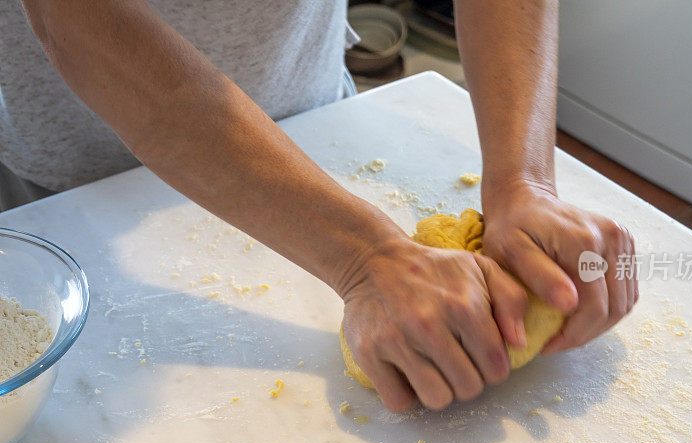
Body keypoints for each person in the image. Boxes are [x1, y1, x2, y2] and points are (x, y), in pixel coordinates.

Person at [2, 0, 637, 412]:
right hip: (79, 174)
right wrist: (365, 256)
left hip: (320, 117)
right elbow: (76, 18)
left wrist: (524, 180)